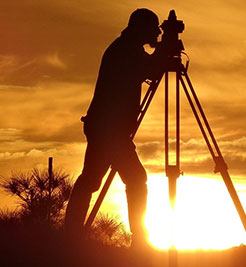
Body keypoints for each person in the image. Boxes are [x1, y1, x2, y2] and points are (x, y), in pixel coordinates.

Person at [65, 8, 164, 248]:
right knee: (132, 178)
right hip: (109, 130)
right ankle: (139, 240)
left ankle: (70, 236)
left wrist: (159, 53)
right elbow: (150, 69)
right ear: (141, 29)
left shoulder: (126, 48)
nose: (156, 34)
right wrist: (163, 52)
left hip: (107, 128)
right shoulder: (125, 51)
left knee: (91, 180)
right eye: (154, 29)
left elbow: (148, 67)